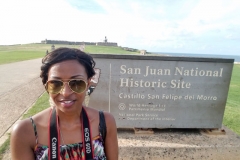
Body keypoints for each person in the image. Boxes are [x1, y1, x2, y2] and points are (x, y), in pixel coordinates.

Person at [11, 47, 119, 160]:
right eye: (56, 83)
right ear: (47, 87)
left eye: (77, 83)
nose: (66, 93)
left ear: (88, 84)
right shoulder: (25, 131)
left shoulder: (105, 123)